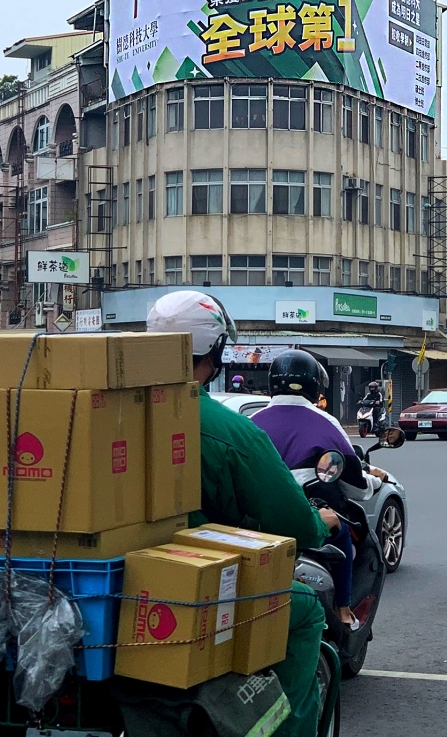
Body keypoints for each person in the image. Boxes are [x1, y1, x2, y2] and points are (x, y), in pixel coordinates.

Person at [146, 291, 336, 737]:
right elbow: (290, 520)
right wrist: (318, 522)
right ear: (214, 353)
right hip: (191, 580)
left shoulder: (112, 407)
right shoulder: (231, 430)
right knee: (307, 608)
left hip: (107, 572)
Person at [252, 350, 388, 630]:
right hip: (305, 519)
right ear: (315, 385)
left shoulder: (252, 421)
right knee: (340, 534)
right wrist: (374, 480)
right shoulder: (327, 423)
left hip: (255, 521)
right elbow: (357, 489)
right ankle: (342, 609)